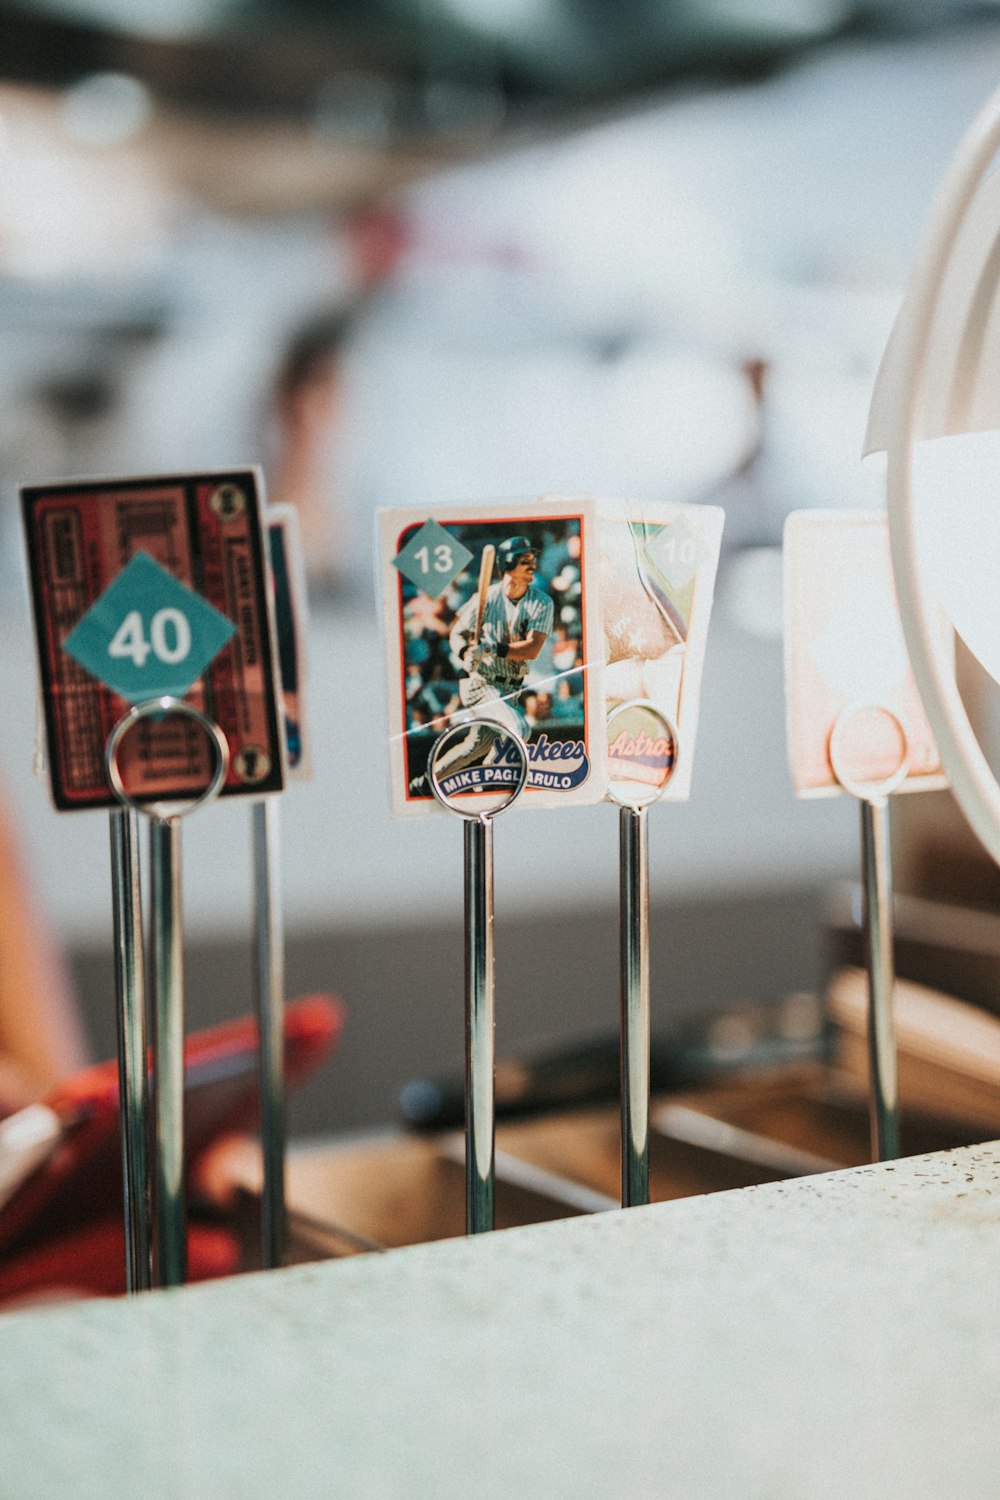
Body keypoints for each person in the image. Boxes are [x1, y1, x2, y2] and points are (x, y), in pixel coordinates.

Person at [421, 537, 553, 788]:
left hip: (511, 687)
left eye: (533, 560)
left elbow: (532, 648)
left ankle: (428, 782)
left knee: (475, 747)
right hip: (479, 681)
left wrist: (491, 648)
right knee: (519, 729)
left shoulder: (543, 602)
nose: (532, 565)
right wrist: (465, 653)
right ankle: (487, 781)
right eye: (525, 560)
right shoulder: (486, 597)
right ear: (508, 564)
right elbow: (456, 633)